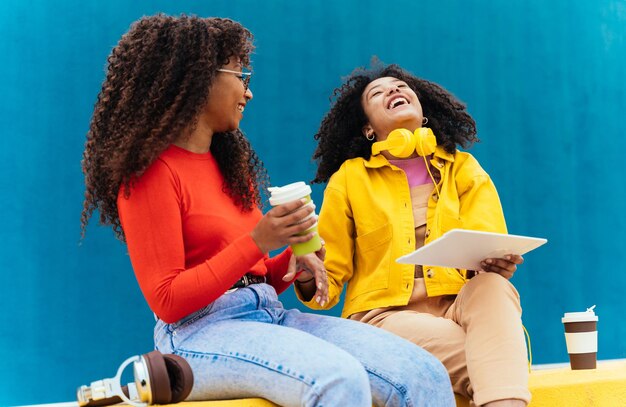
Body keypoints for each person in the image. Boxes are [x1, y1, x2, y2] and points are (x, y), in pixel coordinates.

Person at [80, 15, 454, 407]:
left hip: (267, 314)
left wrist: (294, 258)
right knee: (337, 381)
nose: (248, 91)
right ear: (198, 77)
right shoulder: (149, 175)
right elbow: (168, 301)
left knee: (422, 371)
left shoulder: (229, 165)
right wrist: (260, 239)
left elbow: (253, 278)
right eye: (241, 75)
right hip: (197, 334)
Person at [295, 63, 531, 407]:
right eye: (379, 93)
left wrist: (496, 263)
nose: (394, 91)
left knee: (494, 287)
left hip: (458, 308)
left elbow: (487, 247)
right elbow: (326, 286)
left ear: (423, 115)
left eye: (402, 87)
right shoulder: (349, 178)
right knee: (497, 357)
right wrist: (306, 272)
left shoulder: (462, 168)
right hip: (385, 319)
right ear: (368, 130)